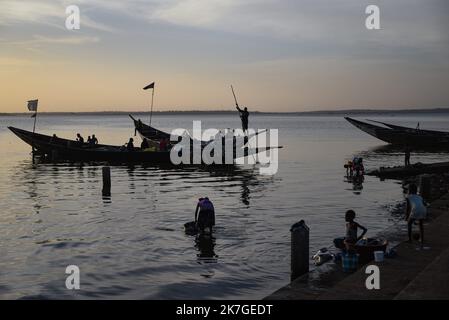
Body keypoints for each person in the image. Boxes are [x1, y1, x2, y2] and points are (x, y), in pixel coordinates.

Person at [406, 184, 427, 248]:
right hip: (423, 210)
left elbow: (408, 208)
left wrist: (406, 216)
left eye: (408, 189)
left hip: (415, 210)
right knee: (421, 224)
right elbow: (424, 204)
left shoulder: (408, 197)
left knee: (409, 223)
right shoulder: (420, 197)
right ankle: (422, 239)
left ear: (409, 190)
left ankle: (409, 239)